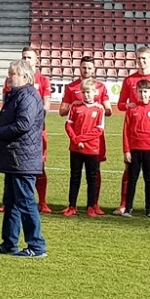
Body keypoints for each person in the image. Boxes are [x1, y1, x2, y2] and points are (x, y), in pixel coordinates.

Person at [0, 60, 47, 258]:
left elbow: (23, 124)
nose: (9, 77)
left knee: (25, 201)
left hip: (22, 158)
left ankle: (36, 246)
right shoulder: (18, 95)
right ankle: (9, 243)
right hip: (16, 157)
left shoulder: (27, 96)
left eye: (13, 74)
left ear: (25, 77)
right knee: (11, 201)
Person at [116, 46, 150, 216]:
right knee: (129, 171)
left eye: (144, 58)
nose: (141, 61)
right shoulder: (129, 80)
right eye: (139, 58)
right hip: (134, 133)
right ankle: (124, 204)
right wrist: (128, 105)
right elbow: (120, 104)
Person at [0, 46, 53, 213]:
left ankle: (42, 201)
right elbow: (6, 105)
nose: (26, 59)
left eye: (29, 57)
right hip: (16, 131)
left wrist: (36, 122)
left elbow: (46, 104)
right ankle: (7, 201)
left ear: (36, 60)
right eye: (24, 57)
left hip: (34, 129)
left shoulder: (42, 81)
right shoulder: (11, 81)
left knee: (37, 166)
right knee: (11, 165)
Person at [59, 56, 112, 208]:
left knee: (95, 171)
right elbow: (62, 111)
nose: (86, 70)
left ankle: (94, 204)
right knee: (75, 174)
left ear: (93, 69)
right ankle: (73, 205)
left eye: (89, 68)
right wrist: (73, 106)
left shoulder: (100, 87)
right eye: (84, 67)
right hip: (77, 139)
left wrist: (103, 108)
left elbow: (108, 110)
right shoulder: (71, 87)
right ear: (79, 68)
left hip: (94, 139)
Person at [62, 78, 105, 218]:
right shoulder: (75, 106)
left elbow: (98, 130)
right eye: (84, 92)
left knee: (91, 178)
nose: (86, 95)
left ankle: (90, 206)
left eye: (89, 92)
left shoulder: (99, 109)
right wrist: (75, 140)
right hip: (75, 149)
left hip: (91, 149)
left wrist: (80, 139)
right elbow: (68, 125)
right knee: (74, 177)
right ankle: (72, 206)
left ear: (95, 92)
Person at [121, 79, 150, 218]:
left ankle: (149, 209)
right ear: (136, 92)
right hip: (134, 150)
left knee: (149, 179)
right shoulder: (131, 109)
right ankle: (128, 208)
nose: (143, 94)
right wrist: (126, 150)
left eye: (145, 92)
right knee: (132, 179)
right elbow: (126, 132)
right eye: (140, 91)